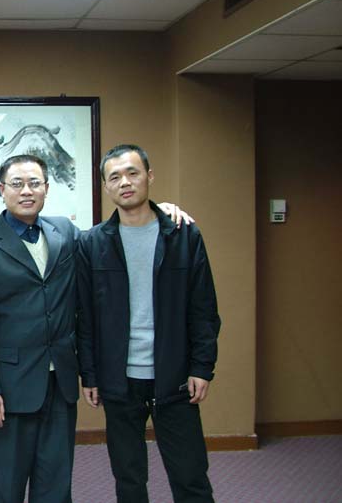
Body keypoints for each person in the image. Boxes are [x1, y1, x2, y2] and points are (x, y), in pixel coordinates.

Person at [0, 153, 192, 503]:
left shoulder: (64, 233)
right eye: (17, 184)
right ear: (1, 189)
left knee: (56, 486)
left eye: (34, 183)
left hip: (61, 384)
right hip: (9, 388)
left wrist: (159, 213)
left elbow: (112, 235)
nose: (26, 191)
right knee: (8, 487)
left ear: (47, 188)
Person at [77, 144, 221, 503]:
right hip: (119, 380)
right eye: (114, 177)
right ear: (106, 187)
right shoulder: (92, 243)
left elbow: (204, 309)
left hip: (174, 376)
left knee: (190, 477)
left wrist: (202, 367)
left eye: (133, 173)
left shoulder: (183, 235)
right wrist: (90, 375)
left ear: (149, 176)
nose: (124, 182)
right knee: (128, 479)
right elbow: (85, 318)